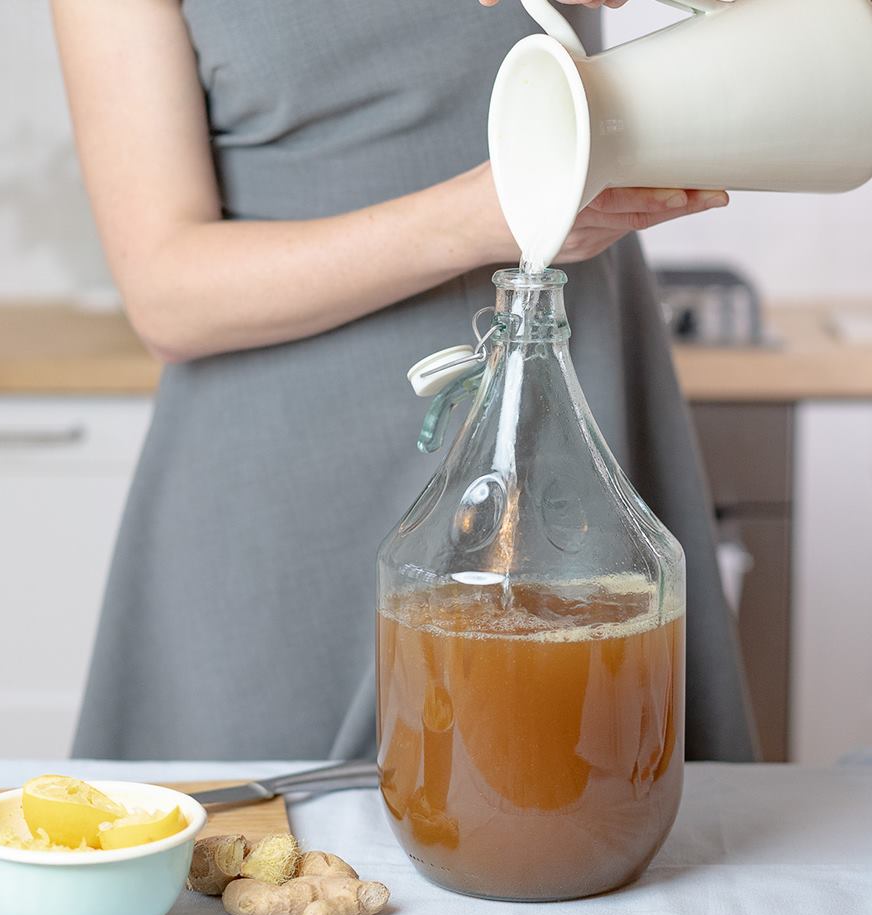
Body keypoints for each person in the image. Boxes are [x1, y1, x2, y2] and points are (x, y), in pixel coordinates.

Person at [52, 0, 755, 762]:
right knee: (259, 856)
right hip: (288, 490)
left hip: (559, 428)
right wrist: (489, 214)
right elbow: (165, 293)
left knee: (595, 820)